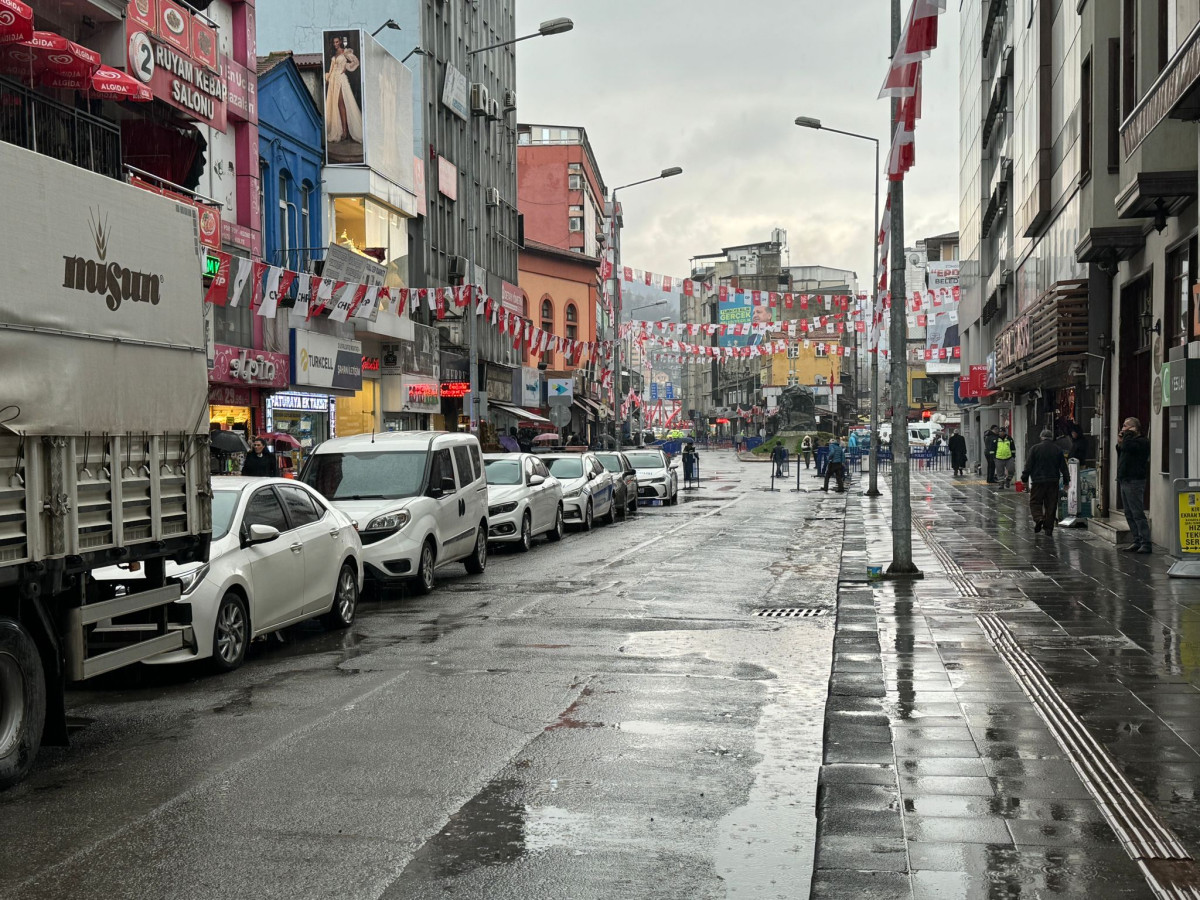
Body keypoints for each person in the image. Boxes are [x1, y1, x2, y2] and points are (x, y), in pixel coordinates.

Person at [1021, 429, 1069, 535]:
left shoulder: (1034, 448)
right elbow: (1063, 467)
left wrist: (1024, 478)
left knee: (1035, 502)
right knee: (1051, 504)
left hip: (1038, 481)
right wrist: (1066, 481)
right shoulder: (1057, 449)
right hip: (1053, 481)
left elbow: (1028, 465)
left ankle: (1038, 518)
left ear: (1041, 437)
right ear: (1051, 438)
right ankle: (1048, 528)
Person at [1116, 417, 1152, 552]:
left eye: (1126, 426)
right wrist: (1120, 441)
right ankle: (1136, 539)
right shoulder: (1128, 442)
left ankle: (1146, 542)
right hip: (1124, 479)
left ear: (1134, 428)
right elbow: (1123, 452)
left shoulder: (1141, 442)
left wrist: (1128, 435)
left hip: (1135, 480)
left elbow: (1129, 447)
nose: (1123, 429)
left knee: (1137, 513)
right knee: (1128, 513)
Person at [324, 37, 363, 147]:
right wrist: (327, 79)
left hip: (341, 80)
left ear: (340, 42)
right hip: (333, 81)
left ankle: (346, 131)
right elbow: (331, 70)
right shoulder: (334, 54)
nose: (335, 44)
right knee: (336, 105)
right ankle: (341, 131)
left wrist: (346, 66)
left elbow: (356, 62)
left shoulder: (345, 52)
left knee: (342, 104)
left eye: (337, 42)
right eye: (333, 42)